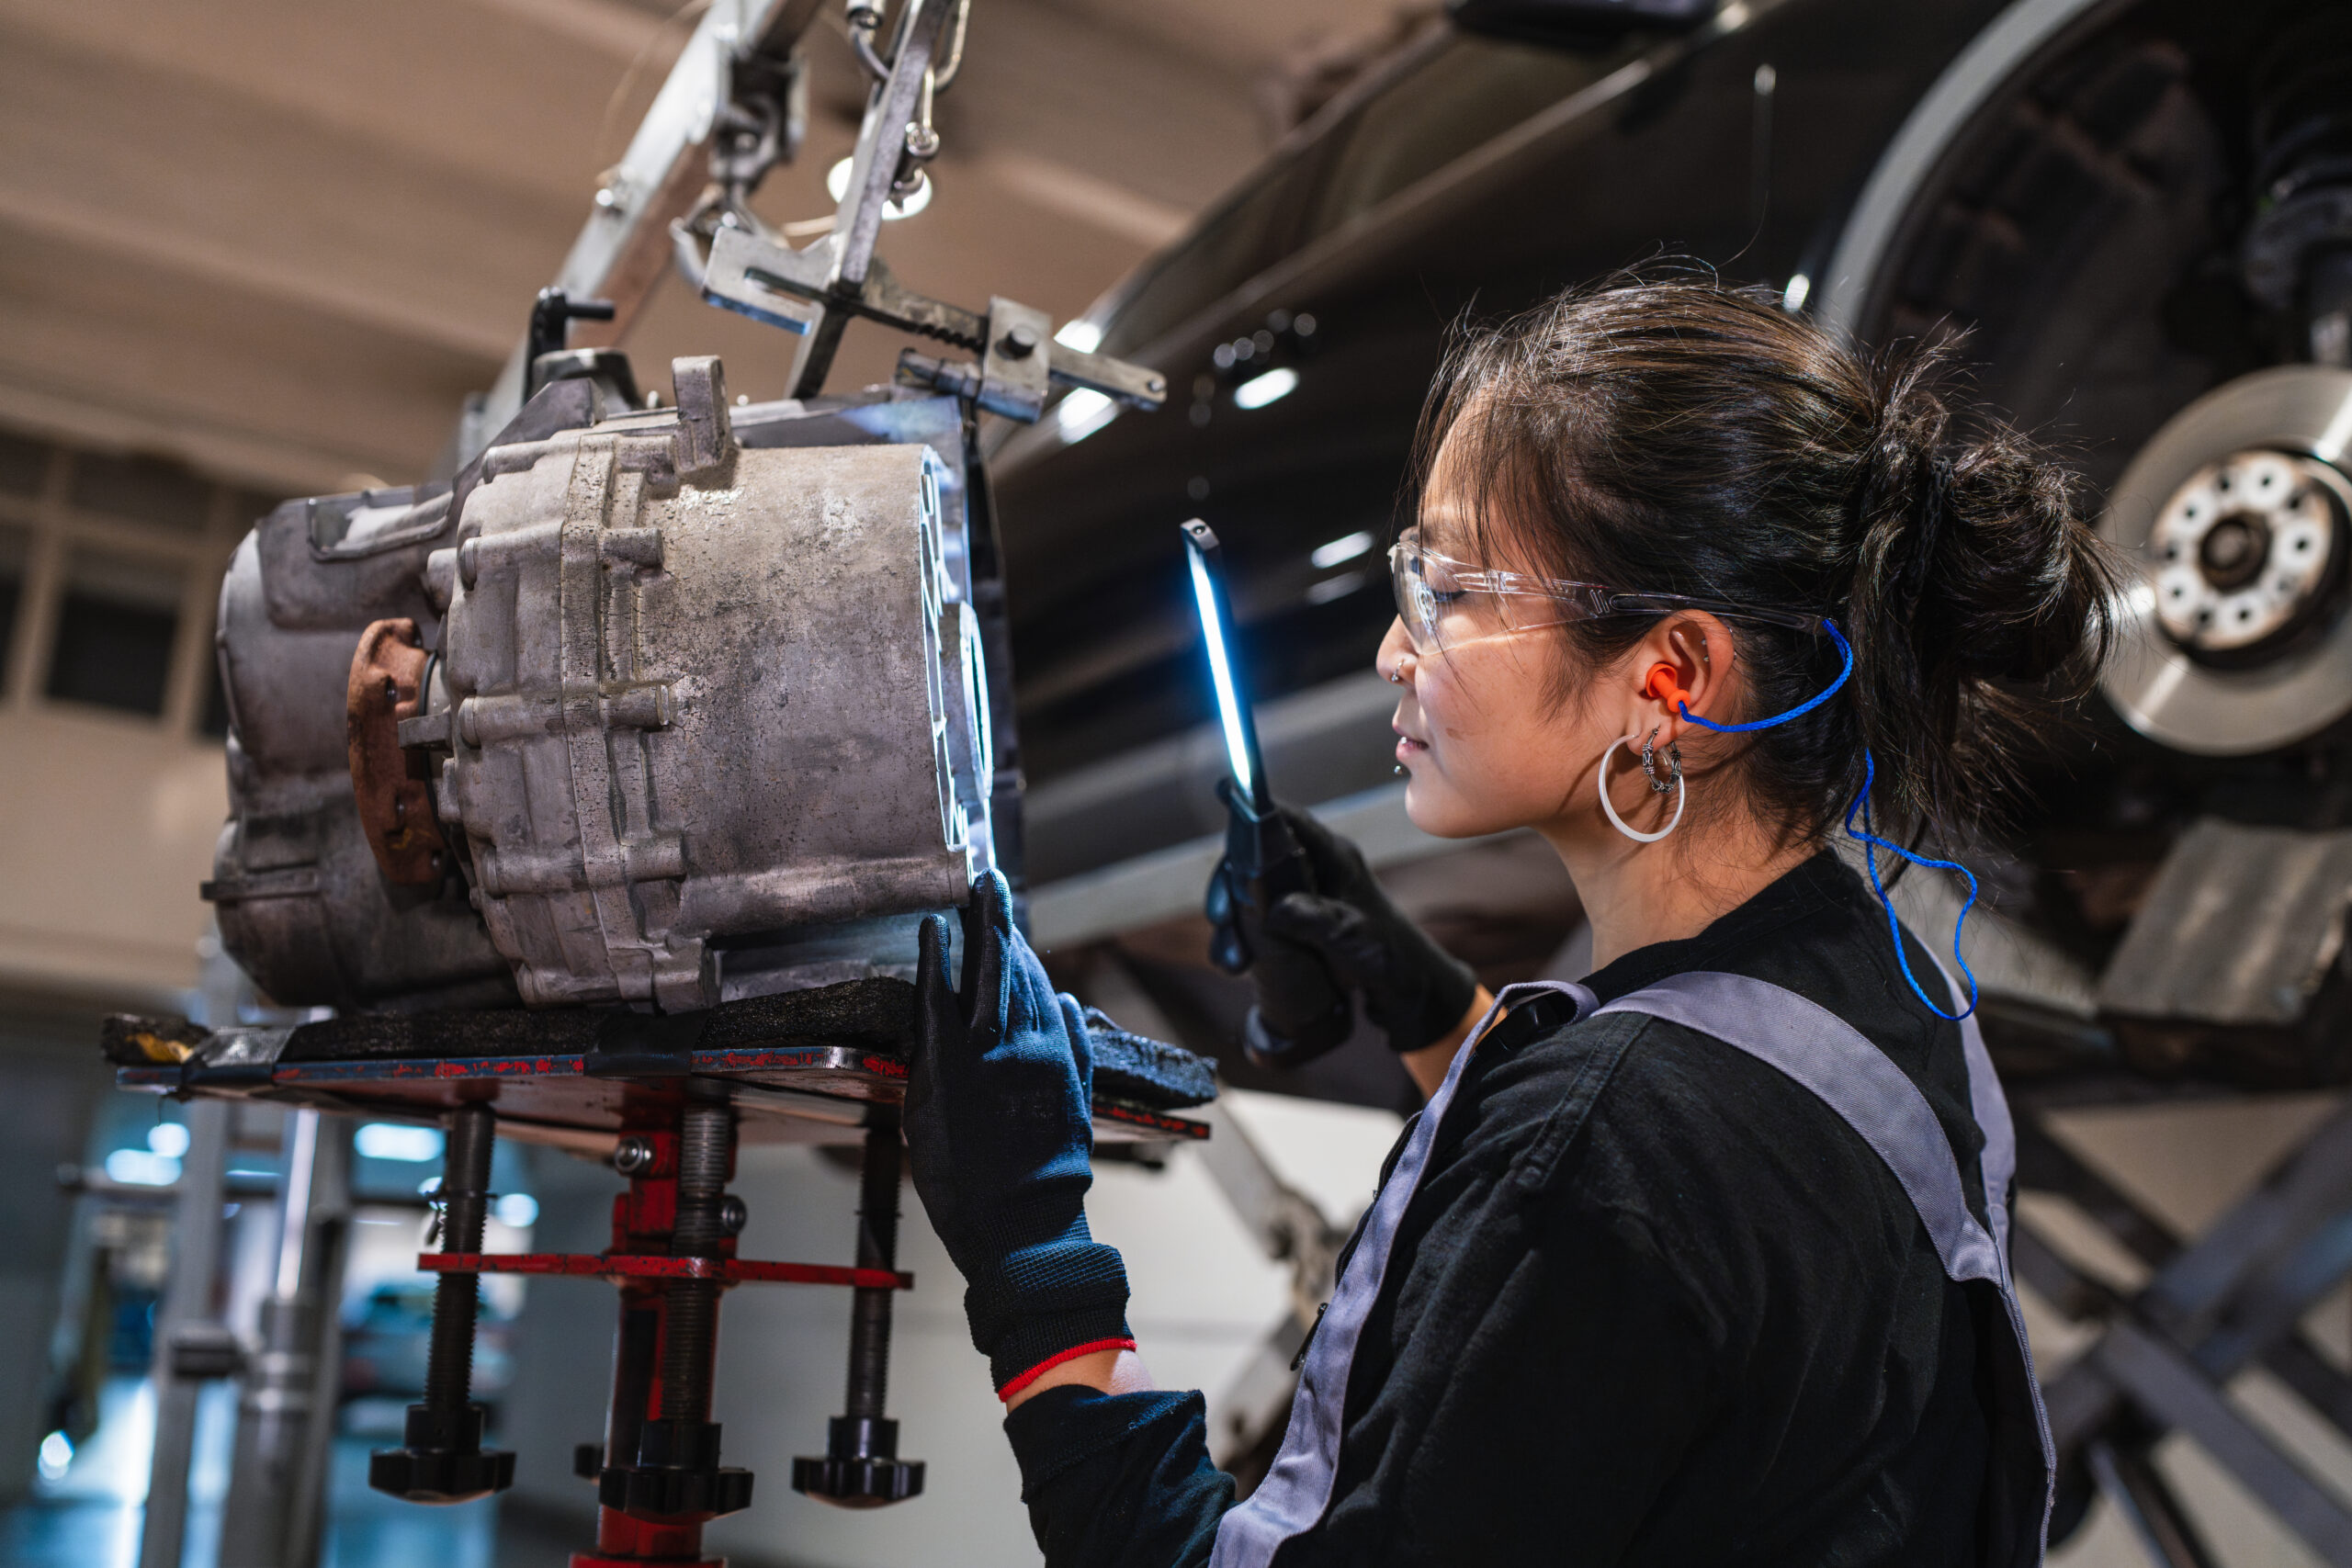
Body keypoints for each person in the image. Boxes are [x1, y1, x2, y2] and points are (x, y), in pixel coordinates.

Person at [902, 276, 2117, 1567]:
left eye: (1449, 590)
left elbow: (1613, 1183)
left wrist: (1031, 1249)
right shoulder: (1892, 999)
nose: (1392, 649)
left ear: (1672, 680)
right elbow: (1686, 1222)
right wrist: (1423, 1000)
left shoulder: (1606, 1149)